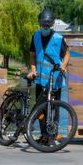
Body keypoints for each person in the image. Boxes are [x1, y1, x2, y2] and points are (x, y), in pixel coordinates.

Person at [27, 8, 70, 143]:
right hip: (40, 80)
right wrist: (32, 70)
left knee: (54, 109)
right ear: (40, 23)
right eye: (43, 25)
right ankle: (44, 135)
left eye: (48, 25)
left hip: (55, 79)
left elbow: (67, 53)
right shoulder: (35, 36)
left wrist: (63, 66)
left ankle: (53, 135)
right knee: (41, 108)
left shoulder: (58, 38)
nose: (46, 27)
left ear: (51, 25)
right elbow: (33, 55)